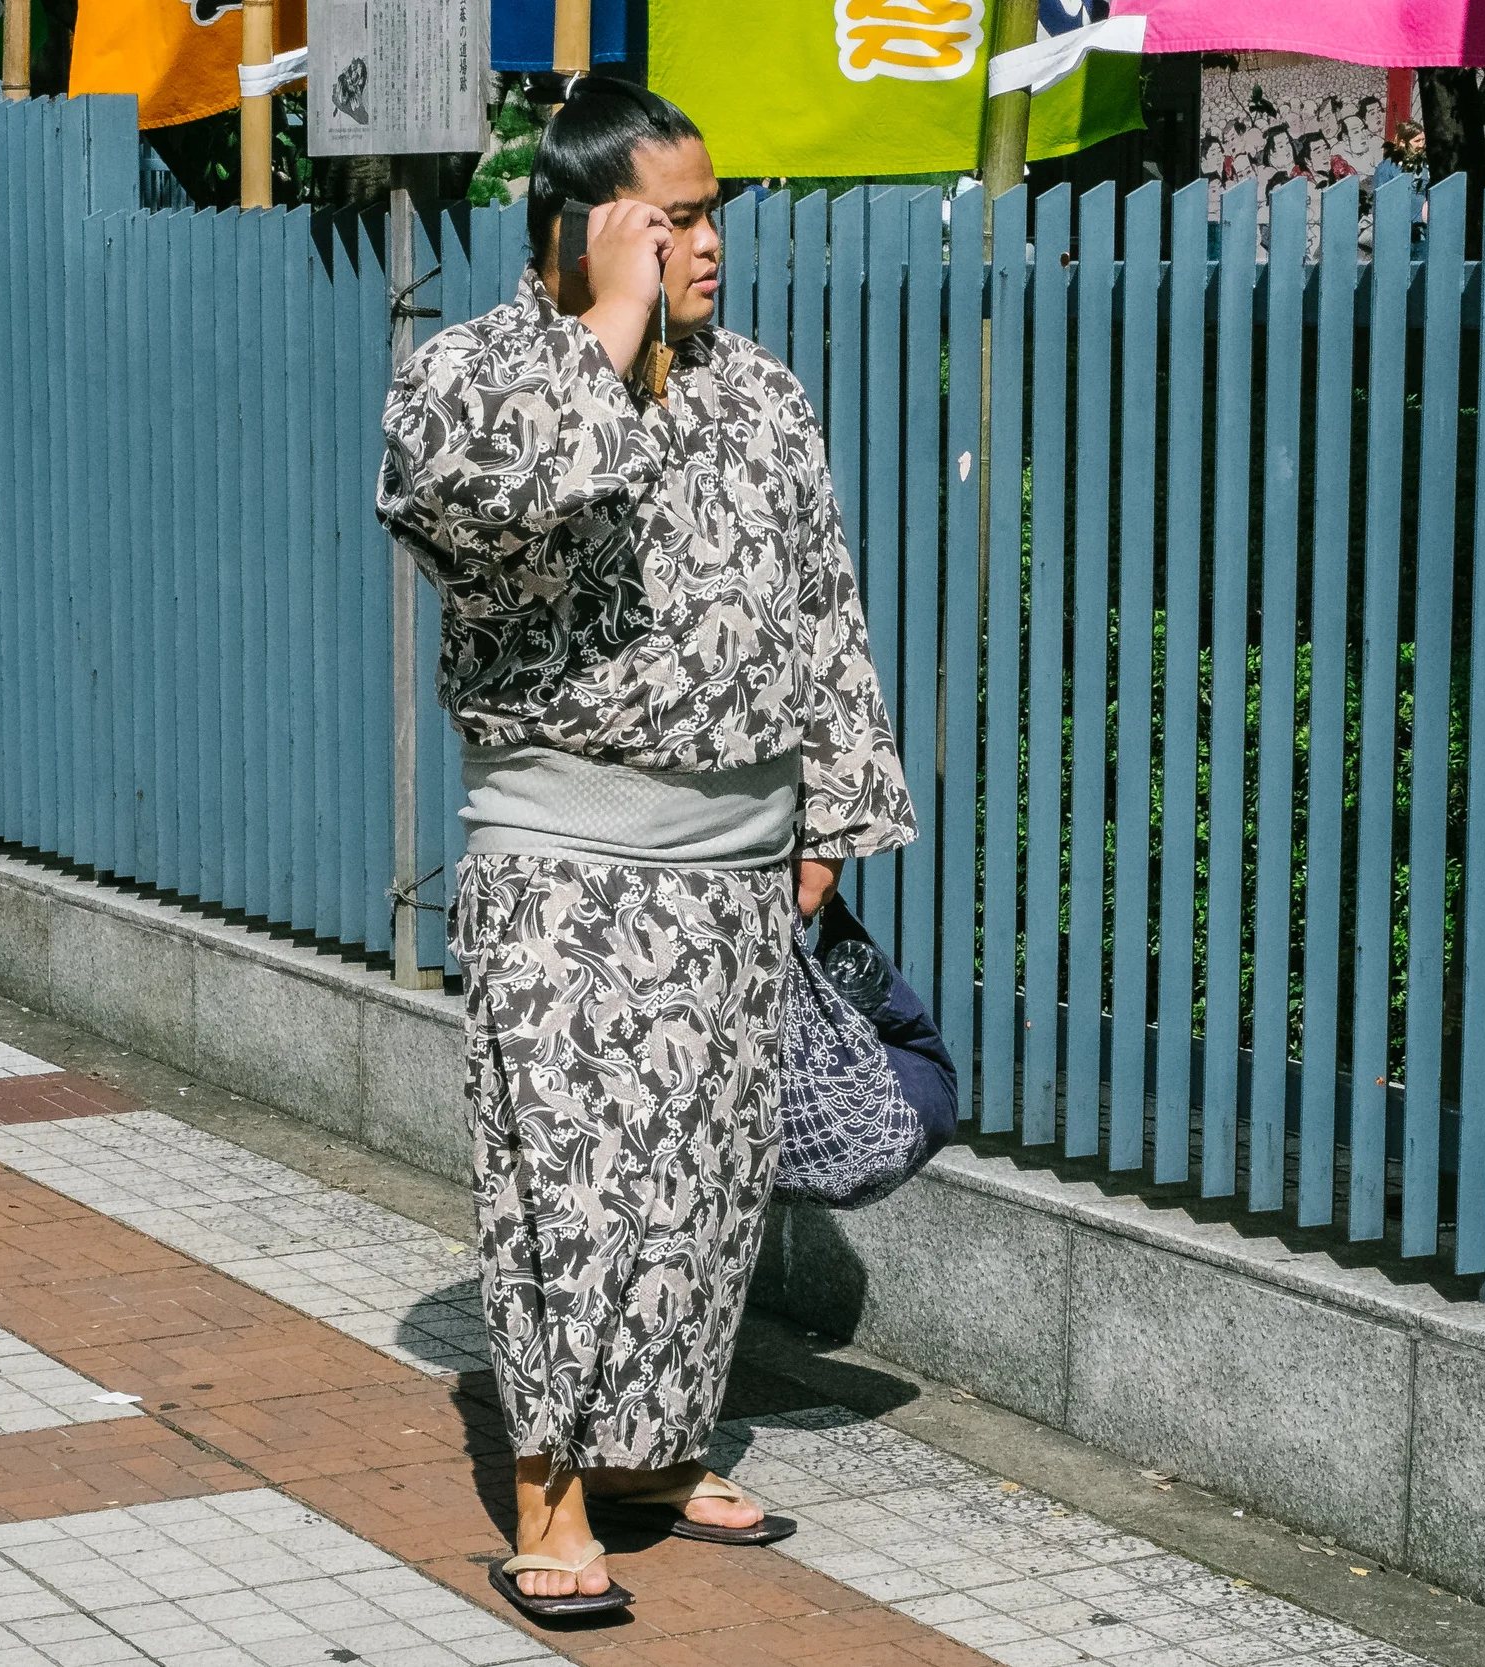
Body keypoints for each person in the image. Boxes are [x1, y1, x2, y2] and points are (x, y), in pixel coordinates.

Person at [374, 78, 914, 1617]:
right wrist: (608, 333)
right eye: (670, 219)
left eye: (712, 211)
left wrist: (832, 817)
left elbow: (822, 611)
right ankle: (552, 1497)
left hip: (736, 867)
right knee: (567, 1184)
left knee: (700, 1189)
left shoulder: (761, 392)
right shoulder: (475, 374)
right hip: (566, 861)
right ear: (582, 225)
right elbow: (480, 507)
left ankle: (661, 1449)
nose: (706, 244)